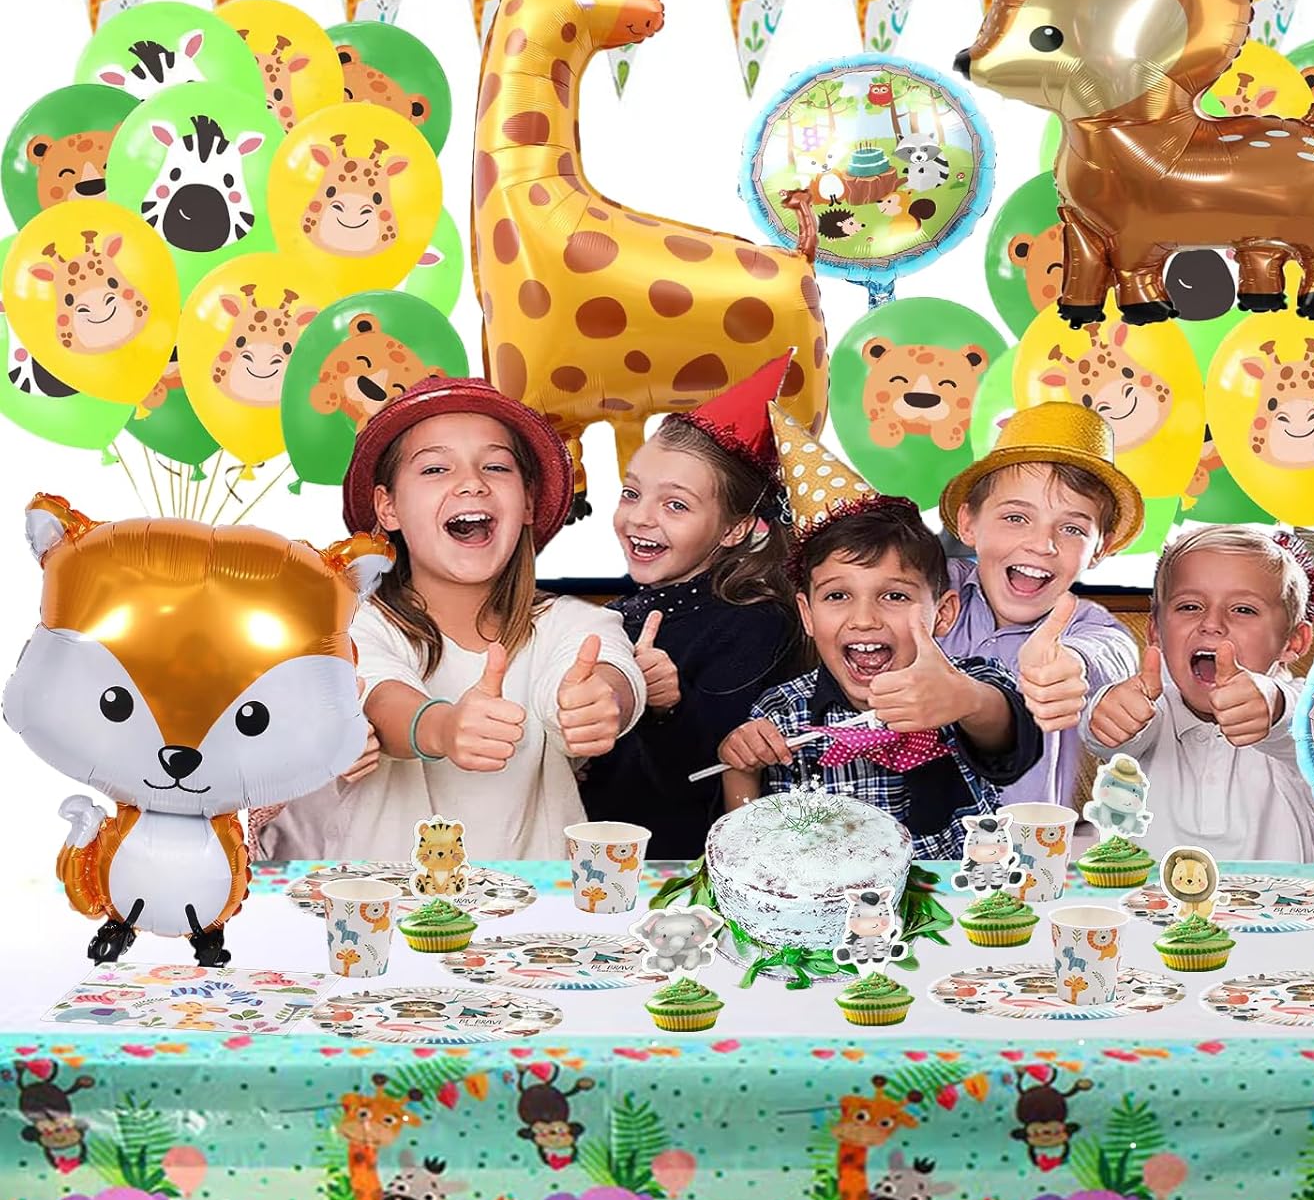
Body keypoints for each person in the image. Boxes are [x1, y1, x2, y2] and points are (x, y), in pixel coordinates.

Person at [256, 376, 645, 862]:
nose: (471, 482)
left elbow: (607, 670)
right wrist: (442, 727)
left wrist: (599, 702)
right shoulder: (354, 625)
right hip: (388, 898)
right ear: (388, 508)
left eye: (496, 466)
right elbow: (380, 696)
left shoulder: (570, 623)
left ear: (527, 501)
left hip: (537, 904)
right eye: (436, 468)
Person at [717, 408, 1043, 859]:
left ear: (943, 614)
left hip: (959, 893)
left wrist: (966, 699)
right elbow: (750, 848)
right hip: (831, 896)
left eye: (894, 596)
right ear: (807, 615)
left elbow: (1011, 737)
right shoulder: (783, 712)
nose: (864, 619)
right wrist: (739, 767)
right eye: (837, 596)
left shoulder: (969, 682)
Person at [580, 353, 803, 857]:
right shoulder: (620, 613)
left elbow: (709, 779)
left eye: (675, 504)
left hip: (677, 874)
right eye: (631, 493)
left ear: (734, 529)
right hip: (596, 859)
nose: (640, 517)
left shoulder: (755, 624)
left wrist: (666, 707)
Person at [1080, 524, 1314, 861]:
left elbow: (1307, 729)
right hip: (1148, 895)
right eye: (1190, 606)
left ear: (1293, 641)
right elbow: (1113, 739)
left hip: (1279, 895)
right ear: (1156, 631)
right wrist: (1107, 715)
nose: (1212, 623)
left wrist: (1273, 705)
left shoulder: (1304, 715)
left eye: (1243, 609)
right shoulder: (1153, 711)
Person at [938, 403, 1142, 805]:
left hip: (1024, 841)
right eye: (1016, 517)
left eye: (1072, 528)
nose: (1042, 544)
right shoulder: (934, 585)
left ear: (1100, 548)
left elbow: (1111, 655)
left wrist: (1072, 666)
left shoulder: (1090, 629)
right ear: (968, 524)